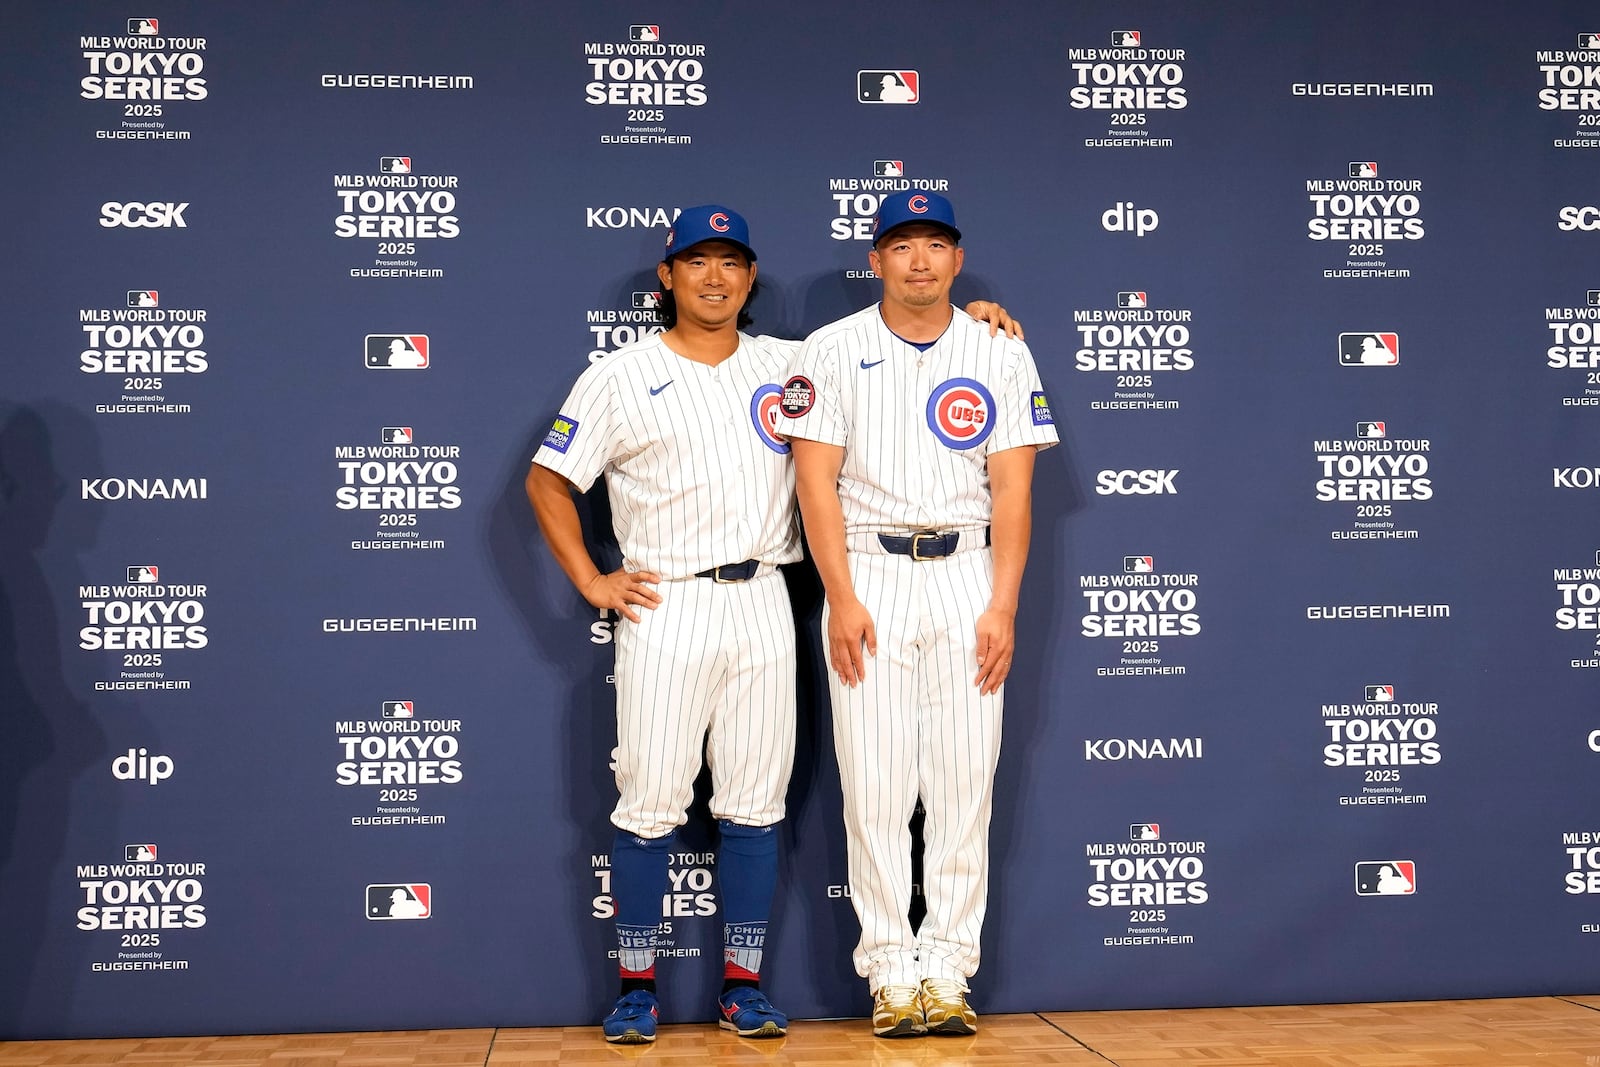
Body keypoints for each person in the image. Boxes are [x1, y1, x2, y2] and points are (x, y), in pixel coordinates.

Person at [526, 204, 1021, 1045]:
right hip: (665, 597)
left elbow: (903, 345)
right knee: (650, 798)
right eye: (697, 261)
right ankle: (637, 985)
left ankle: (742, 986)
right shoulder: (619, 373)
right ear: (668, 275)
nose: (715, 277)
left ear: (752, 278)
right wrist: (590, 577)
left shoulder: (796, 360)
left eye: (731, 263)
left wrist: (982, 320)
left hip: (763, 596)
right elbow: (548, 477)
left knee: (755, 804)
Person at [778, 190, 1057, 1038]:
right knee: (874, 785)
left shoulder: (1000, 350)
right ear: (876, 260)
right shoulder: (830, 348)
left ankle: (948, 967)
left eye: (937, 244)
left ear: (958, 260)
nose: (921, 260)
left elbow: (1013, 491)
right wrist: (842, 596)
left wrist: (1002, 604)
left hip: (967, 570)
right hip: (870, 570)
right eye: (903, 245)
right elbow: (813, 482)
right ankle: (890, 971)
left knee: (965, 783)